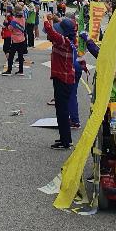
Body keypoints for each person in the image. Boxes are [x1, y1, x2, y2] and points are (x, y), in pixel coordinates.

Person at [43, 14, 77, 149]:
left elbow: (50, 32)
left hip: (63, 80)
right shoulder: (71, 39)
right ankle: (65, 138)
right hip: (66, 79)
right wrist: (55, 19)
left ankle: (65, 142)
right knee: (62, 110)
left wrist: (46, 19)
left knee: (62, 112)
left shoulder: (63, 42)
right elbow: (66, 24)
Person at [2, 5, 26, 75]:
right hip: (22, 39)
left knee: (11, 55)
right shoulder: (23, 19)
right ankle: (21, 70)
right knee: (20, 55)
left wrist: (6, 23)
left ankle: (9, 70)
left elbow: (10, 28)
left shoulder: (14, 20)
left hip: (15, 40)